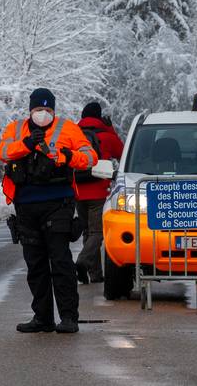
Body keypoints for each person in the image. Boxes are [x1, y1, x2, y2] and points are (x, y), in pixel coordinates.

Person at [0, 88, 97, 334]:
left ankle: (69, 317)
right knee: (35, 264)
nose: (43, 114)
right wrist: (26, 144)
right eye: (38, 109)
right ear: (30, 110)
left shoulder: (68, 128)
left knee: (60, 262)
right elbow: (3, 152)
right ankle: (42, 317)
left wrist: (68, 155)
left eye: (48, 110)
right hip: (26, 205)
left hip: (58, 204)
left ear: (54, 110)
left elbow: (90, 156)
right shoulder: (16, 129)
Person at [73, 102, 124, 285]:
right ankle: (82, 261)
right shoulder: (106, 136)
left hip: (78, 190)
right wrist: (110, 129)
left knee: (88, 231)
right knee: (97, 232)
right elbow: (122, 152)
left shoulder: (75, 135)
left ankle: (94, 274)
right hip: (98, 190)